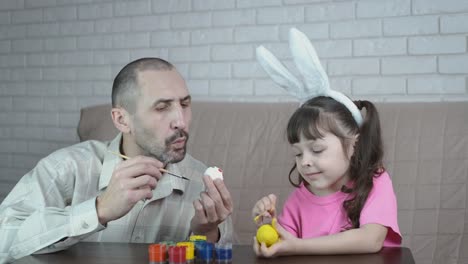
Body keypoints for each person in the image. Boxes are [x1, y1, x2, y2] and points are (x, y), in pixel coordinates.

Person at [0, 58, 234, 263]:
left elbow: (228, 254)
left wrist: (206, 234)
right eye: (162, 107)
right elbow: (4, 241)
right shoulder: (67, 168)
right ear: (121, 120)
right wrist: (99, 209)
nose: (181, 121)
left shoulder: (203, 183)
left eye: (184, 104)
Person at [251, 28, 401, 257]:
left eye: (317, 149)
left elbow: (371, 239)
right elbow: (284, 244)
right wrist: (267, 227)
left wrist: (298, 247)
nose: (305, 162)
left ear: (354, 144)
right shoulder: (300, 199)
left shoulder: (375, 182)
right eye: (298, 154)